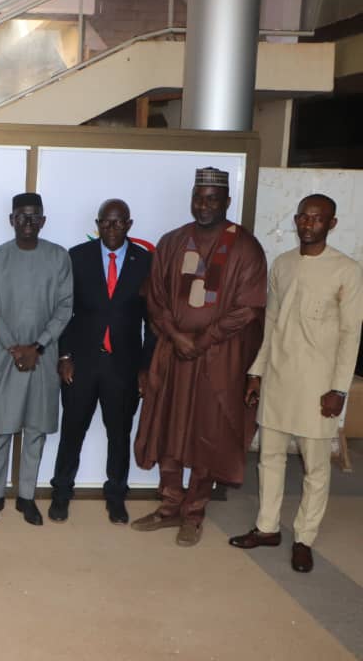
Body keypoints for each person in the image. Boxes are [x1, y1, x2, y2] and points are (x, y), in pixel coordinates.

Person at [132, 167, 266, 547]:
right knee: (168, 427)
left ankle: (193, 512)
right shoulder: (172, 242)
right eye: (198, 198)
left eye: (212, 199)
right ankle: (169, 504)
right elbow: (156, 298)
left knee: (207, 432)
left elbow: (248, 308)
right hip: (174, 354)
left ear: (227, 201)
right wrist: (177, 336)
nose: (203, 205)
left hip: (217, 359)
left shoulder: (245, 247)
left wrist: (203, 339)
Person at [230, 194, 363, 572]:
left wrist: (339, 390)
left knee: (315, 469)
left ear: (331, 224)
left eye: (317, 219)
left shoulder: (347, 270)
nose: (308, 224)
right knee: (269, 459)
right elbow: (272, 324)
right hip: (278, 378)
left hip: (319, 387)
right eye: (303, 217)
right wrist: (256, 373)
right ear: (296, 220)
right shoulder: (283, 264)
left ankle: (304, 538)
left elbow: (351, 335)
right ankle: (267, 527)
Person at [49, 199, 155, 526]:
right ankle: (61, 493)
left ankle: (116, 496)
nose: (111, 228)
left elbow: (152, 322)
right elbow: (63, 312)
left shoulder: (145, 261)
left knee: (119, 435)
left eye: (118, 222)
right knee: (72, 431)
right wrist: (64, 355)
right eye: (105, 222)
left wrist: (145, 368)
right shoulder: (77, 257)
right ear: (97, 224)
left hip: (123, 366)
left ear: (129, 225)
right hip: (80, 363)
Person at [0, 193, 73, 526]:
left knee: (35, 430)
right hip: (5, 356)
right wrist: (14, 347)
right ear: (12, 220)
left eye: (35, 217)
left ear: (43, 221)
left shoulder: (58, 257)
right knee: (1, 431)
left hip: (43, 357)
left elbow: (65, 308)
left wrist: (38, 346)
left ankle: (26, 497)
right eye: (21, 216)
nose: (28, 222)